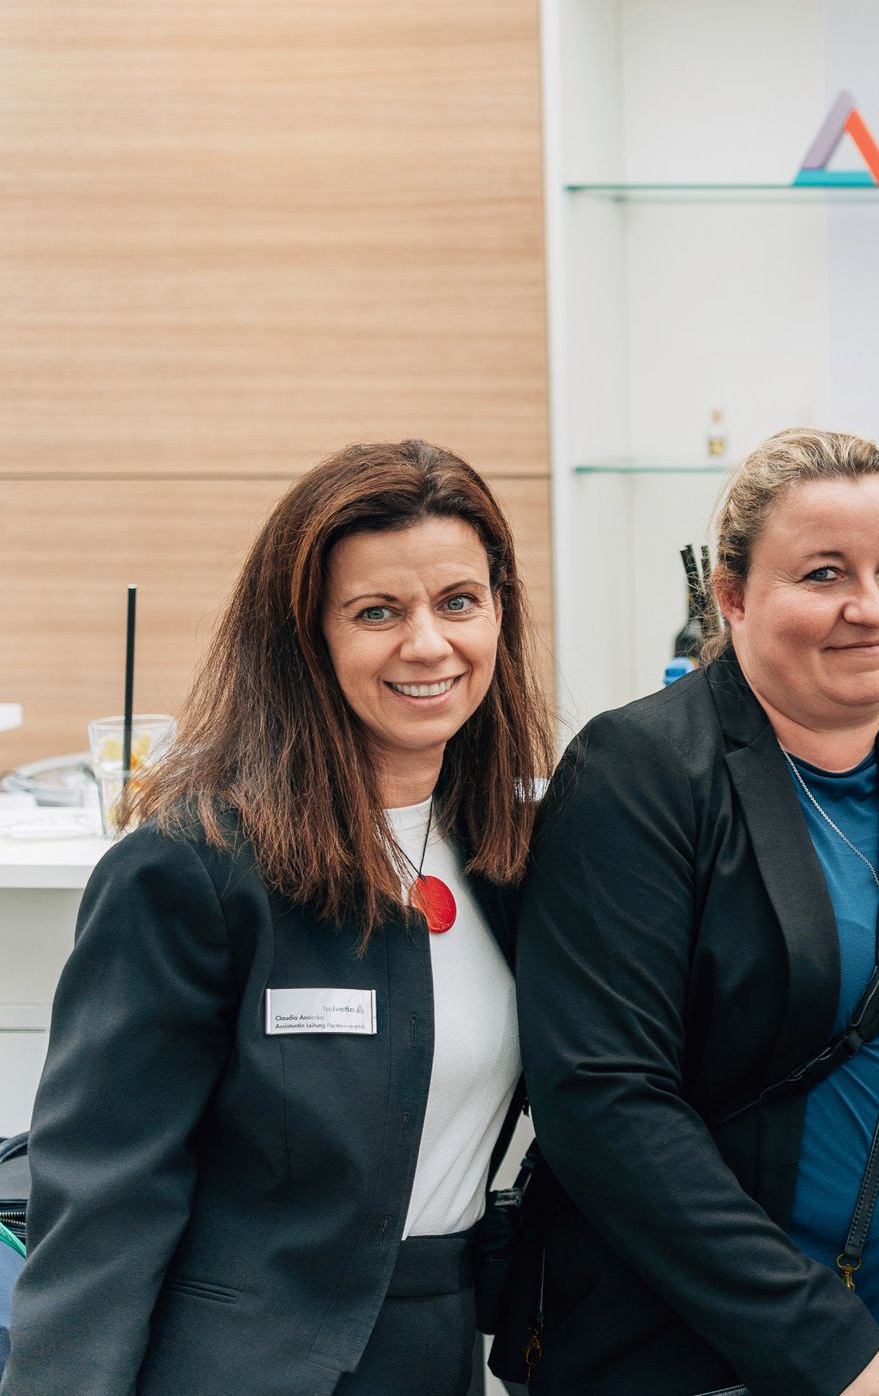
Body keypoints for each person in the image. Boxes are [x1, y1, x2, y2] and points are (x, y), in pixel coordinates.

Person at [515, 429, 879, 1396]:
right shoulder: (640, 773)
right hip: (715, 1358)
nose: (870, 607)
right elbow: (605, 1100)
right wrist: (823, 1346)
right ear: (733, 594)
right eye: (823, 573)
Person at [3, 440, 550, 1396]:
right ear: (306, 636)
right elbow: (104, 1196)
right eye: (377, 611)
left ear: (499, 610)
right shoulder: (195, 869)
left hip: (441, 1346)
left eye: (459, 601)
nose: (429, 643)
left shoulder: (513, 852)